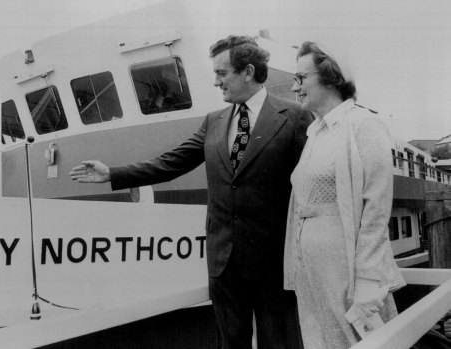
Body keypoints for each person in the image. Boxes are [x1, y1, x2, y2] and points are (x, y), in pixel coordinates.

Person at [70, 35, 313, 349]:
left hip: (273, 260)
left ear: (249, 72)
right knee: (230, 344)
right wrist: (113, 173)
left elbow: (308, 187)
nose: (216, 82)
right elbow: (172, 162)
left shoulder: (293, 118)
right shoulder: (214, 121)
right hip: (224, 260)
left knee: (277, 343)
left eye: (222, 73)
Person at [283, 41, 406, 348]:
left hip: (347, 275)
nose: (294, 87)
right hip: (314, 273)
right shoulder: (316, 132)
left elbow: (375, 209)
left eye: (301, 78)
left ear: (329, 75)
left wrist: (368, 280)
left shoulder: (363, 125)